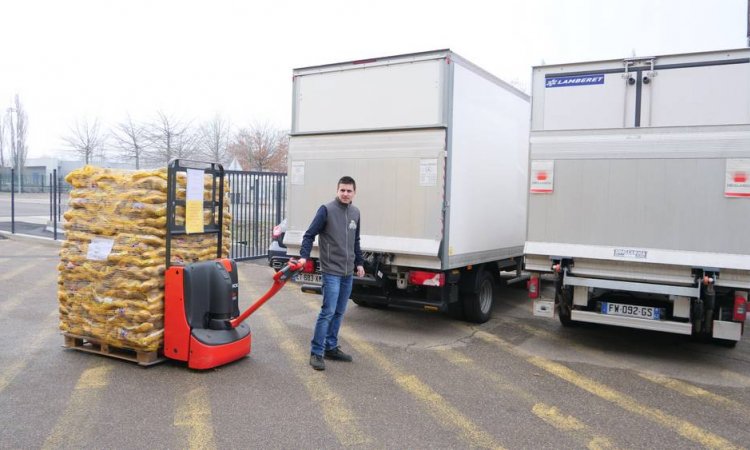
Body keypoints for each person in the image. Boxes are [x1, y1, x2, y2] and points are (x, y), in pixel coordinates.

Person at [298, 176, 364, 371]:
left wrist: (359, 262)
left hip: (347, 272)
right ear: (337, 191)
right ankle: (316, 352)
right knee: (327, 312)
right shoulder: (326, 210)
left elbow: (356, 241)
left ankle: (331, 347)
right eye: (342, 190)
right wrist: (304, 256)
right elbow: (309, 235)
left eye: (349, 191)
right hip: (331, 271)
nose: (345, 194)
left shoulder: (355, 212)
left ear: (354, 193)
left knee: (340, 311)